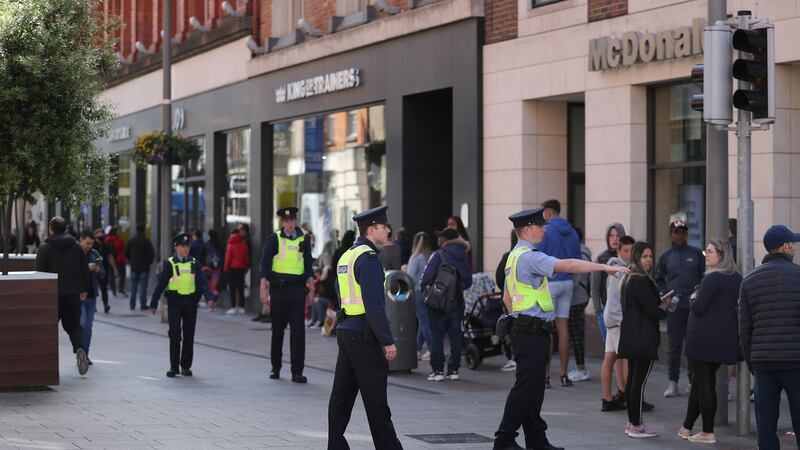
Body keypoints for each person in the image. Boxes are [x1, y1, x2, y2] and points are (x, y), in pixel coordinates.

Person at [493, 208, 629, 450]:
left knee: (533, 390)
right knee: (526, 389)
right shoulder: (530, 257)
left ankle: (536, 440)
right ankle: (504, 440)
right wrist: (605, 268)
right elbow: (568, 265)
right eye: (540, 226)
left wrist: (519, 321)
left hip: (526, 330)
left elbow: (506, 297)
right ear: (526, 229)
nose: (544, 230)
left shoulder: (514, 256)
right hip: (531, 332)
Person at [327, 205, 402, 450]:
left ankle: (336, 446)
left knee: (342, 396)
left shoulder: (347, 255)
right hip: (365, 334)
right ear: (372, 229)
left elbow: (340, 294)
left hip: (347, 329)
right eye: (384, 226)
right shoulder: (369, 259)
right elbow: (374, 304)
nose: (388, 229)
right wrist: (387, 340)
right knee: (376, 401)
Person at [739, 225, 800, 449]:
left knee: (765, 427)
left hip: (763, 363)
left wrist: (753, 362)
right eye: (792, 244)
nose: (794, 247)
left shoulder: (749, 280)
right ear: (785, 247)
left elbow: (744, 329)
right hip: (796, 361)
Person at [678, 238, 741, 444]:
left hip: (704, 339)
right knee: (699, 382)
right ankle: (687, 427)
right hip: (723, 339)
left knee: (704, 382)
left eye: (710, 251)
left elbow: (698, 307)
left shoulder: (713, 278)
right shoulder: (736, 277)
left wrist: (694, 296)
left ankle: (707, 431)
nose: (706, 255)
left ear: (721, 255)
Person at [617, 241, 671, 438]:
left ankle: (633, 422)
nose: (648, 260)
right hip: (643, 336)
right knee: (638, 382)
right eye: (645, 257)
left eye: (650, 256)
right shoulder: (641, 280)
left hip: (632, 335)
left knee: (633, 380)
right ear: (637, 258)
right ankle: (636, 424)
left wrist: (658, 302)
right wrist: (664, 307)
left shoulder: (631, 278)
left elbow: (644, 304)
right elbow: (653, 311)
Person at [259, 207, 313, 383]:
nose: (290, 224)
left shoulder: (304, 239)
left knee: (298, 332)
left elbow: (308, 265)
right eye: (286, 221)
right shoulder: (274, 239)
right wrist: (262, 288)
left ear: (296, 221)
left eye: (292, 220)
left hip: (297, 290)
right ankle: (276, 367)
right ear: (282, 222)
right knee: (278, 331)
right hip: (279, 289)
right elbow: (265, 264)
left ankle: (297, 372)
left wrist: (311, 287)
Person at [149, 233, 214, 377]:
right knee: (175, 334)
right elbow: (161, 285)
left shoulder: (194, 263)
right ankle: (174, 367)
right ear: (176, 247)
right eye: (183, 246)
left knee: (189, 335)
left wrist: (209, 298)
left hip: (191, 303)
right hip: (175, 303)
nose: (186, 249)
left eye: (187, 246)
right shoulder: (170, 263)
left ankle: (185, 366)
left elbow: (202, 283)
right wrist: (153, 303)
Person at [35, 216, 91, 375]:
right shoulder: (76, 247)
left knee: (48, 328)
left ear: (50, 229)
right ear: (66, 229)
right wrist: (84, 289)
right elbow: (84, 270)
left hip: (52, 295)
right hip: (73, 293)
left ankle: (45, 362)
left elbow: (39, 272)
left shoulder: (45, 248)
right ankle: (80, 349)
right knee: (74, 326)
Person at [655, 219, 705, 397]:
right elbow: (658, 279)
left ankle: (693, 381)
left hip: (693, 307)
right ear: (670, 235)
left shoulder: (696, 253)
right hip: (674, 308)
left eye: (683, 231)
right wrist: (664, 296)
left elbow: (704, 275)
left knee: (693, 345)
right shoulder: (665, 256)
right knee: (674, 346)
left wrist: (700, 291)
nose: (680, 234)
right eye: (676, 231)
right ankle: (673, 382)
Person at [537, 199, 581, 387]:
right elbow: (577, 258)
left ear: (548, 212)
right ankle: (564, 375)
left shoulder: (546, 230)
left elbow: (538, 257)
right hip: (567, 282)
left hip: (550, 283)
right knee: (563, 328)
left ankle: (546, 376)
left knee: (547, 329)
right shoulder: (571, 231)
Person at [420, 227, 470, 382]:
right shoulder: (463, 255)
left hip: (438, 303)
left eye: (440, 237)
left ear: (445, 240)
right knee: (455, 337)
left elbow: (426, 279)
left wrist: (434, 291)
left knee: (437, 337)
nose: (438, 239)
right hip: (457, 303)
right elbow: (468, 281)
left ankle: (438, 371)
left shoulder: (438, 255)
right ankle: (454, 370)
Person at [601, 235, 635, 412]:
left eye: (631, 251)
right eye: (626, 251)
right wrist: (622, 320)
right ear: (619, 251)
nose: (629, 254)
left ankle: (608, 398)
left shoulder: (619, 268)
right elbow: (615, 298)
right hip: (617, 319)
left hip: (612, 319)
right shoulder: (618, 269)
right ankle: (630, 397)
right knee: (627, 357)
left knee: (610, 357)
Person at [590, 223, 625, 345]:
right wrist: (598, 310)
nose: (615, 239)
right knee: (609, 350)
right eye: (611, 236)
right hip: (605, 310)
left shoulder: (628, 256)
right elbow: (594, 288)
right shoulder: (601, 259)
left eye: (618, 235)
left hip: (624, 309)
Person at [567, 227, 592, 382]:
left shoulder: (580, 253)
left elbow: (576, 279)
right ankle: (579, 367)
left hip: (576, 298)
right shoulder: (584, 251)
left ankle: (581, 368)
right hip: (581, 297)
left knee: (575, 333)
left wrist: (565, 292)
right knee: (576, 332)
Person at [78, 230, 105, 365]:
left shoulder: (95, 254)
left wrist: (99, 270)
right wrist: (86, 267)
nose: (89, 246)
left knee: (88, 327)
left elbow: (103, 274)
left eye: (91, 244)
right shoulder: (75, 253)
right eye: (87, 243)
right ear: (81, 240)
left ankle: (85, 354)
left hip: (91, 296)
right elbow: (70, 271)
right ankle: (80, 351)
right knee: (82, 324)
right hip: (78, 296)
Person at [406, 231, 433, 361]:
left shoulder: (415, 258)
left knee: (424, 321)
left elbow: (410, 277)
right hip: (429, 293)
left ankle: (432, 349)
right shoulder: (430, 256)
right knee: (424, 321)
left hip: (417, 292)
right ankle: (416, 349)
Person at [496, 229, 519, 372]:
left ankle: (513, 357)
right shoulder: (531, 256)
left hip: (511, 299)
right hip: (528, 301)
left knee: (512, 328)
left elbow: (499, 278)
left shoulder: (508, 257)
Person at [125, 223, 155, 310]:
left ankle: (132, 304)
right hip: (144, 268)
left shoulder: (131, 241)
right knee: (143, 287)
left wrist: (131, 261)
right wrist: (148, 262)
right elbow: (151, 254)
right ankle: (143, 304)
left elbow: (126, 253)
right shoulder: (146, 241)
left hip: (134, 267)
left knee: (133, 287)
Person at [224, 226, 250, 315]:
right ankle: (242, 307)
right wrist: (245, 267)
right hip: (241, 269)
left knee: (232, 289)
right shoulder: (244, 244)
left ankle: (234, 307)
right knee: (240, 288)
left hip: (231, 269)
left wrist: (225, 269)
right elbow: (247, 258)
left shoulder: (230, 245)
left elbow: (228, 259)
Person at [93, 229, 117, 313]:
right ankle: (93, 305)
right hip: (93, 271)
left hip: (104, 270)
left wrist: (114, 269)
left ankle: (106, 304)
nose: (100, 235)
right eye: (98, 234)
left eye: (102, 233)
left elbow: (110, 257)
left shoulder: (107, 246)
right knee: (93, 288)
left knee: (104, 289)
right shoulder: (92, 246)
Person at [201, 229, 223, 311]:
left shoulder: (206, 244)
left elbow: (202, 256)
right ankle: (213, 301)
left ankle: (210, 305)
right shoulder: (219, 244)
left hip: (207, 268)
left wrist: (203, 266)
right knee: (214, 286)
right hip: (217, 268)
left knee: (208, 286)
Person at [105, 227, 127, 296]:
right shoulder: (119, 239)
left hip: (111, 259)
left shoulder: (107, 240)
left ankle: (113, 290)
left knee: (112, 275)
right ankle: (120, 288)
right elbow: (122, 247)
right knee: (122, 274)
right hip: (120, 259)